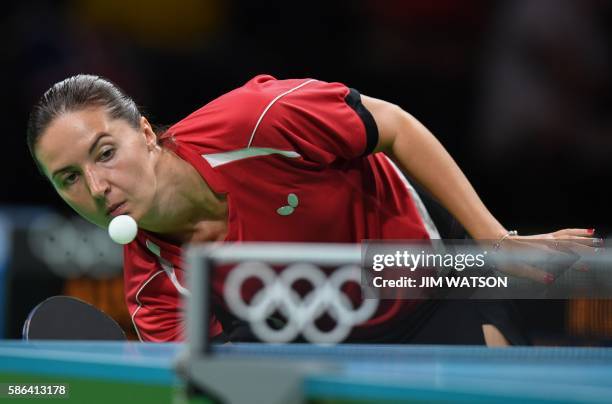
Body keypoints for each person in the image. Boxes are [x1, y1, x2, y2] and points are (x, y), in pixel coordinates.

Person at [26, 74, 598, 345]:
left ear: (146, 133)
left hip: (420, 275)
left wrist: (494, 240)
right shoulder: (156, 287)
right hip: (330, 352)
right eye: (69, 179)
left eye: (105, 153)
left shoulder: (255, 122)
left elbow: (391, 125)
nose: (98, 188)